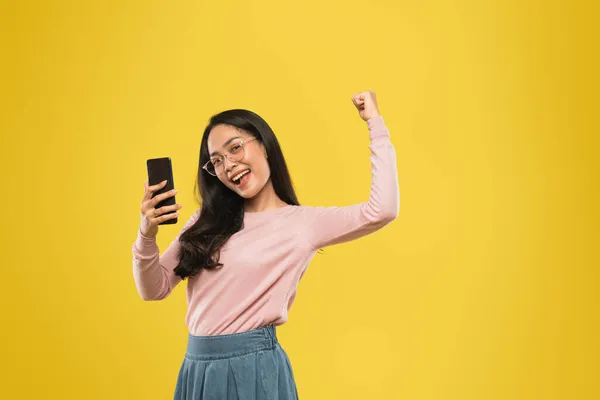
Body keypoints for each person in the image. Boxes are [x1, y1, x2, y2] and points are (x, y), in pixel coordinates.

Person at [132, 90, 399, 399]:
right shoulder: (205, 221)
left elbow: (382, 210)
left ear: (265, 145)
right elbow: (153, 289)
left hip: (253, 368)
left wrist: (375, 125)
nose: (228, 165)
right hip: (197, 368)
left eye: (235, 148)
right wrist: (146, 233)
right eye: (216, 161)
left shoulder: (302, 223)